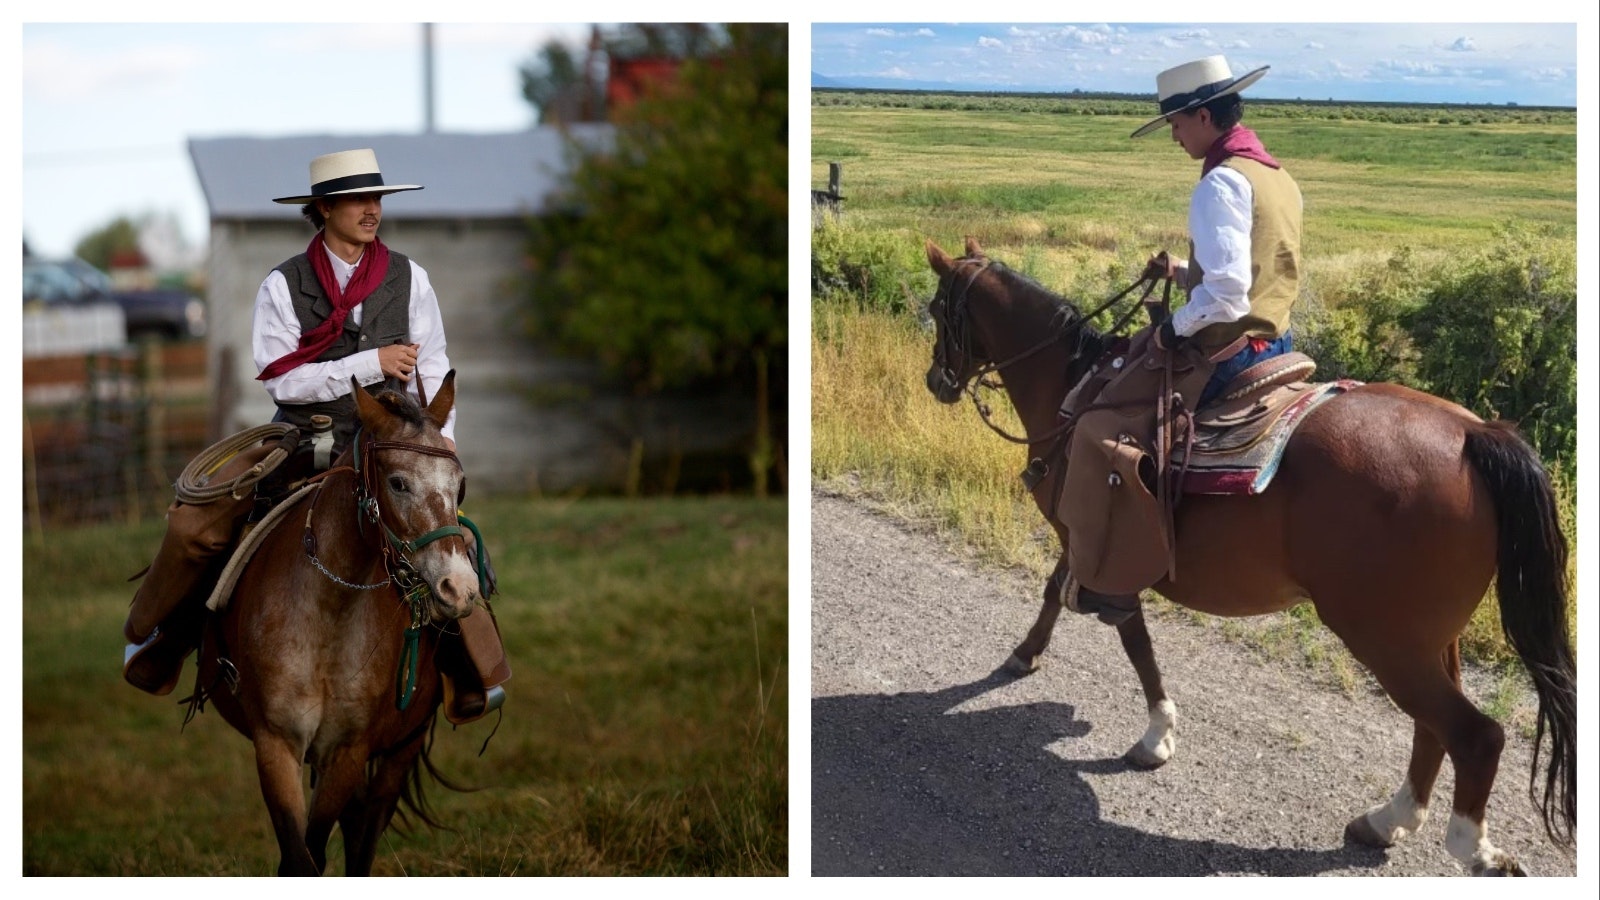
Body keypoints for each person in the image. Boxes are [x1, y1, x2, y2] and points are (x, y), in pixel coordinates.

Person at [122, 148, 510, 724]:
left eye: (376, 198)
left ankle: (468, 672)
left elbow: (436, 363)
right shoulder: (283, 285)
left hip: (396, 442)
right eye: (357, 199)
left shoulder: (410, 277)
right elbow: (283, 378)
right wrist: (371, 363)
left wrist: (442, 438)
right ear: (323, 209)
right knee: (196, 524)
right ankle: (162, 641)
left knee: (449, 537)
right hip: (304, 439)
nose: (371, 210)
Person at [1072, 56, 1304, 625]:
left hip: (1224, 350)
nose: (1174, 135)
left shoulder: (1220, 183)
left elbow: (1226, 298)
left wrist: (1170, 331)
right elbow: (1252, 270)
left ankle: (1115, 573)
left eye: (1177, 122)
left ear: (1204, 115)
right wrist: (1180, 270)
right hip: (1276, 343)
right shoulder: (1273, 174)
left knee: (1103, 420)